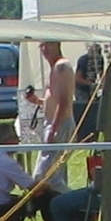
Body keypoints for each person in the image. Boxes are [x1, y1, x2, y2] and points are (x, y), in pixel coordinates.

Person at [25, 41, 75, 194]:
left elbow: (64, 102)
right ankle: (60, 209)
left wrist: (54, 129)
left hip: (59, 124)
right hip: (54, 123)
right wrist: (37, 101)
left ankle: (78, 203)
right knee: (56, 174)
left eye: (49, 45)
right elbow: (54, 99)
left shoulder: (61, 67)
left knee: (44, 177)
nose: (45, 49)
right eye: (42, 46)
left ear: (58, 45)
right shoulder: (55, 68)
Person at [73, 44, 104, 141]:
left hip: (92, 89)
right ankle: (83, 134)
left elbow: (101, 73)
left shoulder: (100, 59)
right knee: (84, 109)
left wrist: (102, 83)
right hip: (81, 89)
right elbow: (77, 78)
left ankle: (94, 133)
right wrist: (90, 84)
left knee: (94, 109)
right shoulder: (83, 60)